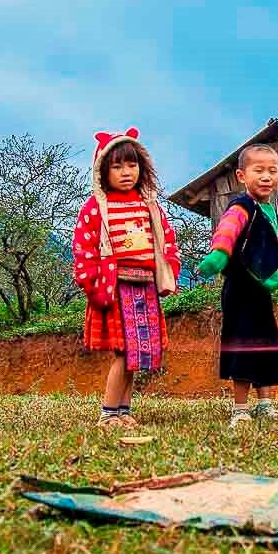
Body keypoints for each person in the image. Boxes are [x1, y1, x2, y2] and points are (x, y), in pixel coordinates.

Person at [70, 128, 181, 430]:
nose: (126, 172)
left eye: (132, 165)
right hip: (115, 288)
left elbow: (166, 241)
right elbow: (84, 249)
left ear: (142, 168)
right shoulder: (95, 209)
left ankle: (123, 410)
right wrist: (91, 281)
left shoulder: (149, 205)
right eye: (117, 166)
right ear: (102, 171)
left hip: (144, 288)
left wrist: (169, 267)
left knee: (135, 354)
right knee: (123, 352)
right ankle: (108, 413)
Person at [195, 144, 278, 429]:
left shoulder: (274, 216)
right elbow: (227, 231)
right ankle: (240, 408)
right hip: (240, 290)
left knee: (265, 346)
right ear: (242, 176)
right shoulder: (240, 207)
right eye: (259, 170)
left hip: (262, 293)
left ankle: (265, 404)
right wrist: (219, 254)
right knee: (243, 346)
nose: (266, 176)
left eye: (272, 170)